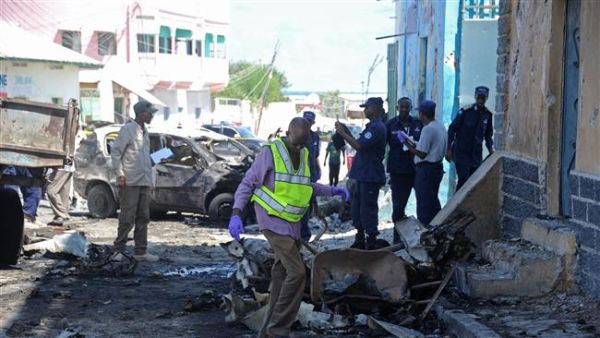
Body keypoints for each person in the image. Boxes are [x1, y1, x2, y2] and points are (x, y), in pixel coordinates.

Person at [228, 117, 349, 338]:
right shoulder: (270, 152)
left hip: (291, 224)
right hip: (271, 220)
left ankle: (266, 330)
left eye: (304, 143)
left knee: (281, 274)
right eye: (297, 142)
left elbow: (305, 186)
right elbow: (248, 183)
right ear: (289, 133)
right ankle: (278, 330)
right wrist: (236, 213)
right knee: (297, 273)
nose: (299, 147)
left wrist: (332, 191)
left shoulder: (304, 153)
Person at [335, 97, 387, 250]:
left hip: (370, 175)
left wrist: (342, 134)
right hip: (362, 174)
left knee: (367, 209)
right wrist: (345, 131)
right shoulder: (371, 127)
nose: (365, 110)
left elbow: (359, 145)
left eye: (367, 107)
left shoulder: (377, 128)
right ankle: (359, 238)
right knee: (357, 208)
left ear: (376, 108)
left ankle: (371, 240)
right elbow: (359, 141)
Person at [110, 100, 159, 262]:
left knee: (143, 217)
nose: (152, 116)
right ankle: (118, 250)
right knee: (127, 217)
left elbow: (145, 158)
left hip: (144, 180)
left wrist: (161, 157)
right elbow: (116, 153)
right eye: (150, 113)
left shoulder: (145, 132)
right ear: (142, 114)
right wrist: (120, 174)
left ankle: (141, 251)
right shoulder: (128, 130)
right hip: (130, 181)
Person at [399, 100, 447, 226]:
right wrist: (412, 143)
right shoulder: (439, 126)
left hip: (427, 170)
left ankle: (426, 231)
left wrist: (405, 143)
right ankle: (437, 227)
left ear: (422, 114)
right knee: (432, 201)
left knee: (424, 204)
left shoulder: (428, 129)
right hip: (436, 168)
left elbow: (422, 153)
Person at [386, 97, 423, 242]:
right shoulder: (390, 125)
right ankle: (397, 238)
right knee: (398, 206)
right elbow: (383, 145)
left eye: (407, 107)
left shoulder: (418, 124)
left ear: (411, 108)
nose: (404, 110)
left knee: (422, 202)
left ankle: (422, 236)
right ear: (397, 108)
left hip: (416, 169)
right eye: (401, 107)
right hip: (398, 171)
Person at [447, 86, 494, 190]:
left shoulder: (488, 115)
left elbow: (488, 135)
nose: (480, 100)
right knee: (463, 181)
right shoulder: (465, 112)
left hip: (476, 156)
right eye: (479, 98)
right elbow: (452, 129)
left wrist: (491, 149)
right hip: (462, 154)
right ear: (475, 97)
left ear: (486, 98)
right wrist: (448, 149)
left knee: (473, 184)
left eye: (483, 98)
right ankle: (456, 205)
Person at [299, 111, 321, 241]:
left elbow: (315, 155)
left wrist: (318, 168)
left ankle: (304, 235)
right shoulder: (298, 135)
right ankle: (301, 235)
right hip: (300, 177)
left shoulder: (315, 137)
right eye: (305, 121)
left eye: (310, 121)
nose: (307, 123)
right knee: (301, 206)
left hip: (311, 175)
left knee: (309, 206)